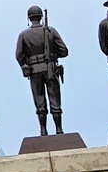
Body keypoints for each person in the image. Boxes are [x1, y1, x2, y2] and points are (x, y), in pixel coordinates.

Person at [15, 7, 69, 137]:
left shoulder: (24, 35)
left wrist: (27, 64)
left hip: (34, 71)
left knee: (40, 102)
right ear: (41, 17)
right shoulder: (51, 31)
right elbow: (64, 51)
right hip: (50, 68)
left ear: (29, 18)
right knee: (55, 101)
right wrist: (52, 54)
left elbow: (19, 55)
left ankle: (43, 130)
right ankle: (59, 129)